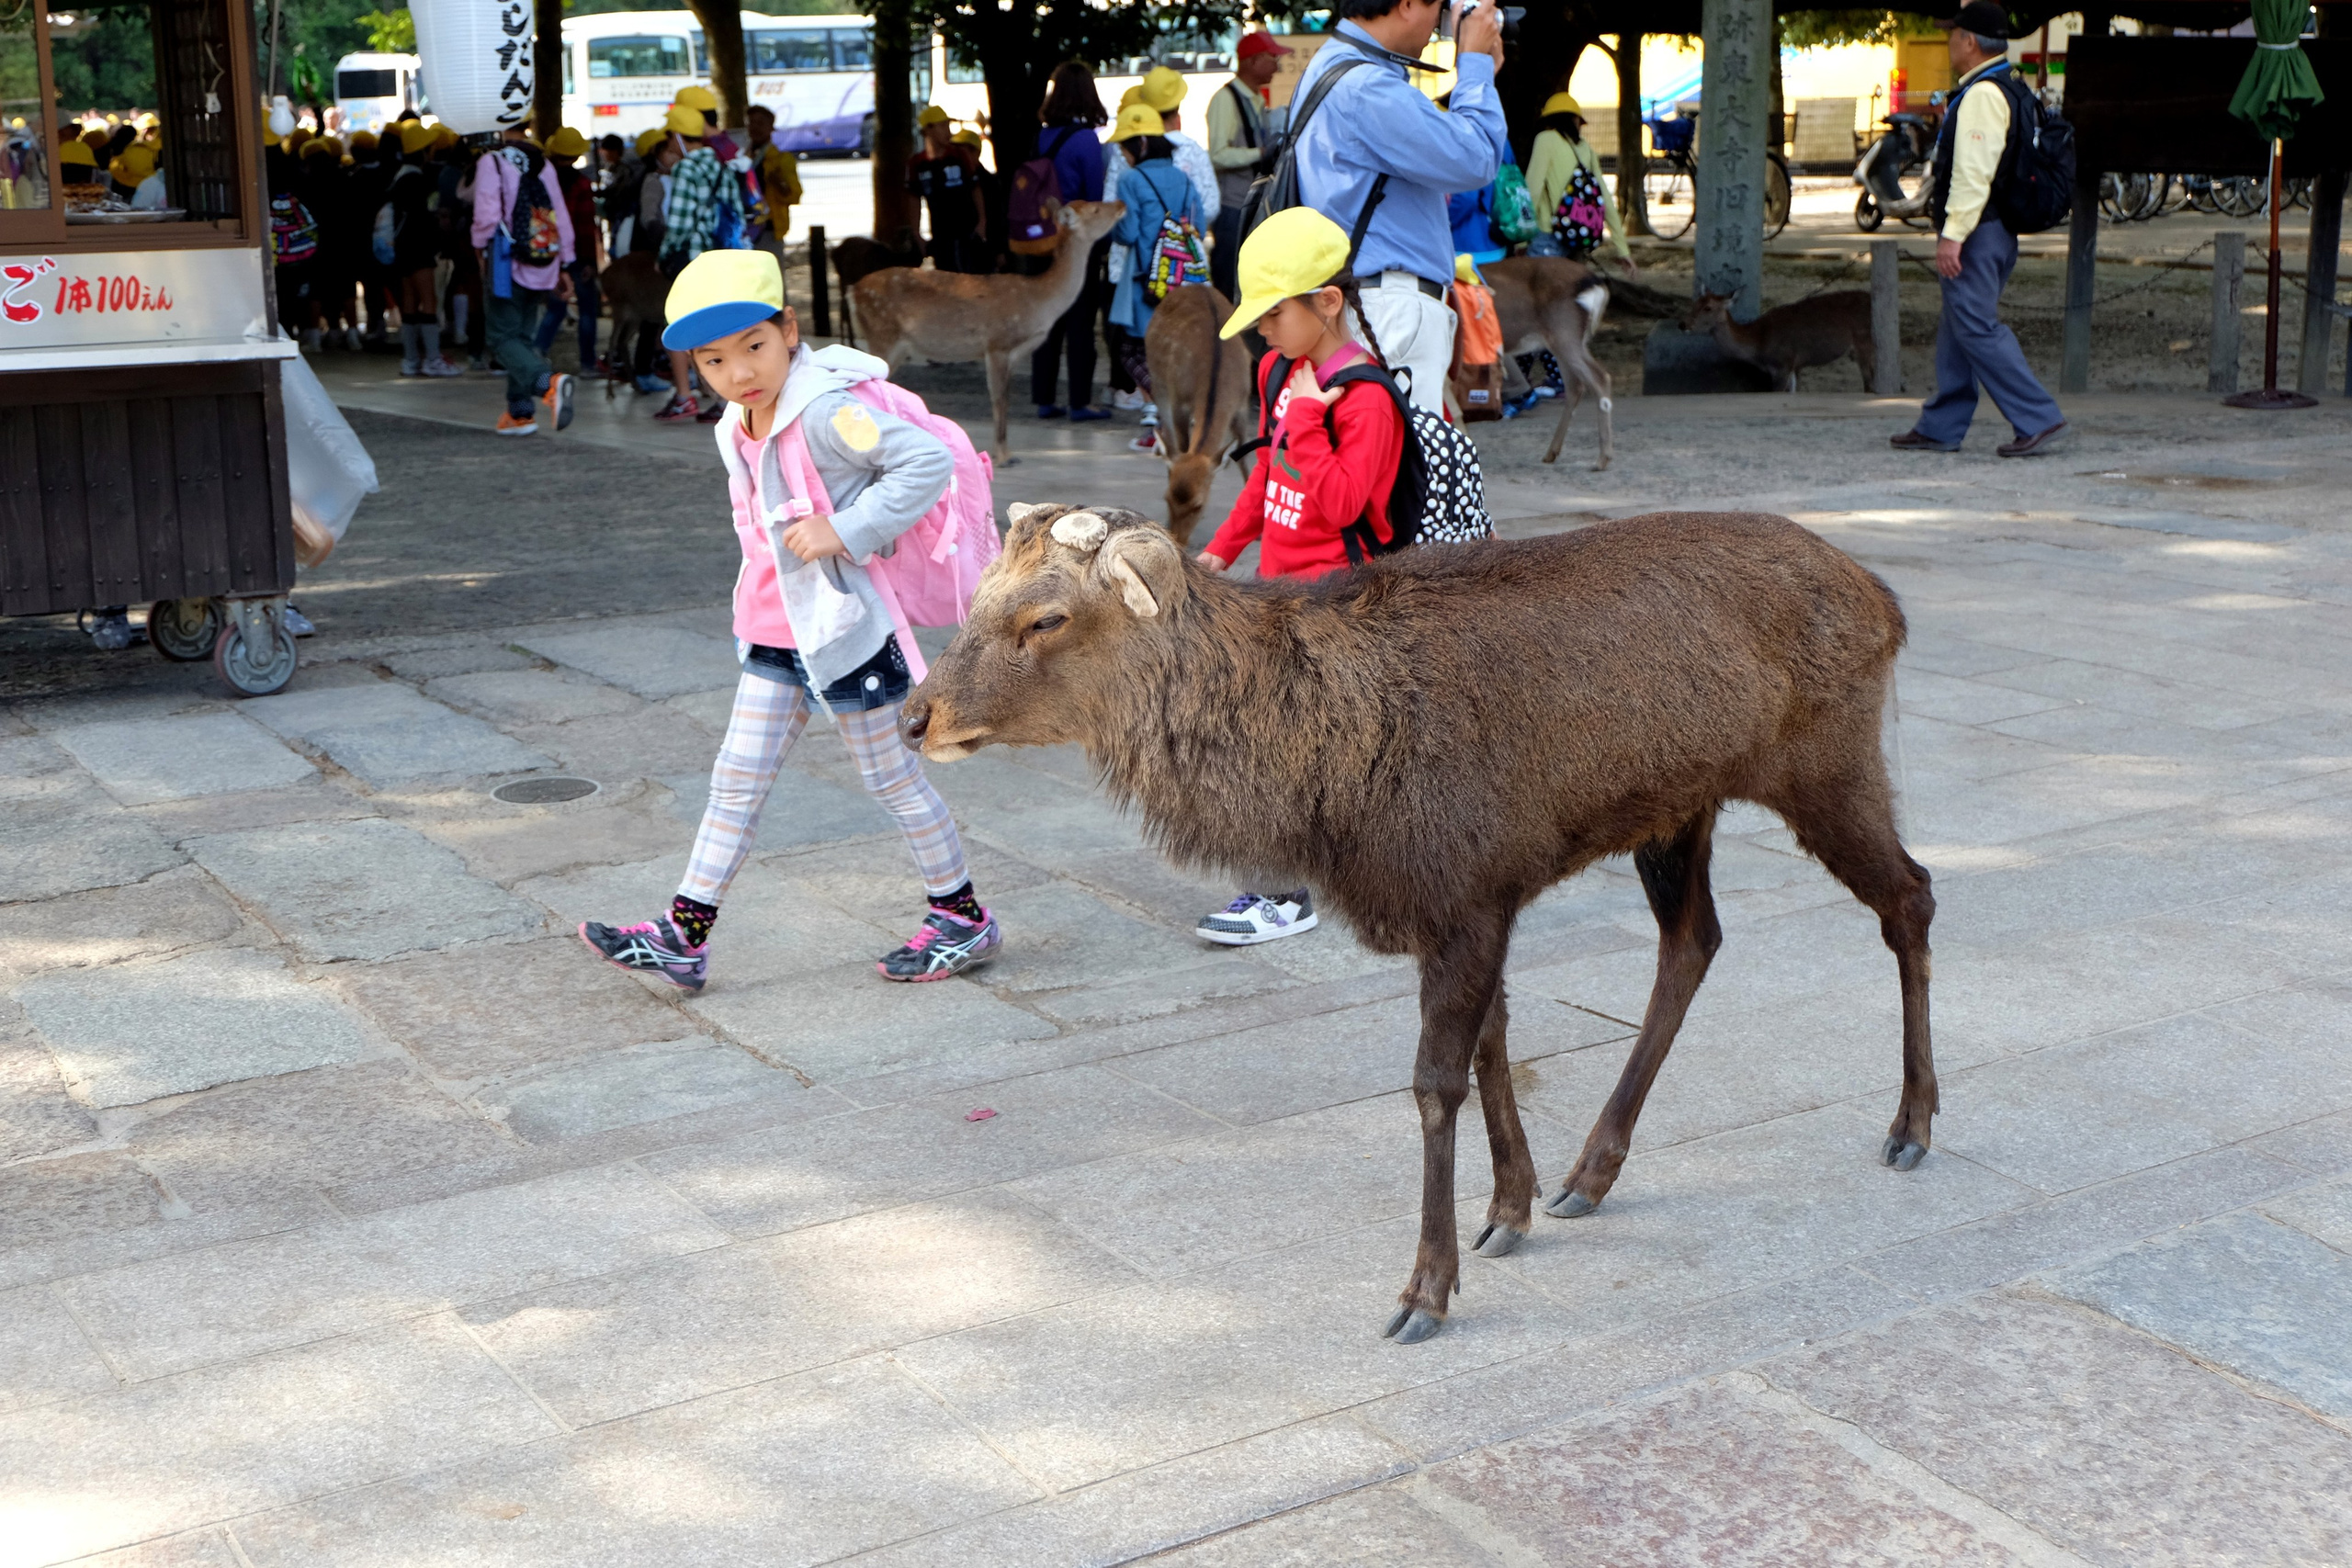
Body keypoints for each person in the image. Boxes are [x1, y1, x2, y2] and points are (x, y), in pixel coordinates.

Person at [579, 249, 1003, 990]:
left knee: (893, 781)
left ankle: (963, 917)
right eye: (713, 360)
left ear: (789, 329)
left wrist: (847, 530)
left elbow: (926, 462)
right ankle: (685, 932)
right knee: (735, 779)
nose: (738, 371)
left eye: (753, 346)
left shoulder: (829, 412)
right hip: (778, 633)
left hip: (848, 635)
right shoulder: (734, 422)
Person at [1191, 207, 1407, 944]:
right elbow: (1271, 469)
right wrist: (1223, 547)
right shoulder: (1279, 368)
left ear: (1328, 302)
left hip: (1340, 605)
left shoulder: (1366, 397)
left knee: (1280, 751)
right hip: (1278, 591)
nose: (1263, 330)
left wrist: (1314, 420)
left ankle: (1284, 895)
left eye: (1275, 313)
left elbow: (1344, 499)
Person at [1288, 0, 1508, 415]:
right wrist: (1474, 66)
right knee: (1398, 471)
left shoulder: (1336, 67)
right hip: (1387, 308)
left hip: (1364, 299)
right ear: (1407, 4)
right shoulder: (1366, 87)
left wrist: (1479, 76)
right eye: (1440, 7)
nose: (1441, 22)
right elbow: (1475, 158)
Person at [1894, 0, 2065, 457]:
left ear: (1969, 42)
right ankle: (1941, 425)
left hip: (1979, 230)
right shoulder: (2008, 84)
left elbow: (1974, 172)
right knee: (1958, 326)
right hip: (1994, 228)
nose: (1949, 42)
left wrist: (1954, 234)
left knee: (1976, 327)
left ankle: (2037, 416)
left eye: (1953, 35)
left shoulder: (1983, 94)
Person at [1105, 102, 1208, 455]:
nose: (1123, 153)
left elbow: (1129, 232)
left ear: (1143, 144)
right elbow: (1200, 224)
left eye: (1125, 146)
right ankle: (1173, 419)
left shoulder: (1130, 179)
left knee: (1132, 351)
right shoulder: (1182, 176)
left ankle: (1161, 421)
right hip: (1180, 281)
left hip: (1144, 284)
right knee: (1172, 352)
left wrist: (1115, 222)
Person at [470, 123, 579, 435]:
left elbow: (487, 216)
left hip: (505, 262)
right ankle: (519, 413)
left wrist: (479, 248)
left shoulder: (492, 161)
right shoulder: (542, 162)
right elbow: (560, 214)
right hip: (544, 260)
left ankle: (548, 383)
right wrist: (565, 264)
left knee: (501, 338)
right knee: (522, 338)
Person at [1027, 61, 1111, 422]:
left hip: (1042, 240)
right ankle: (1079, 401)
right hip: (1075, 243)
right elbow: (1094, 198)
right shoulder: (1085, 140)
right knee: (1080, 320)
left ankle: (1044, 398)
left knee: (1046, 318)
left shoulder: (1040, 137)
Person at [656, 102, 749, 423]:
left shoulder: (687, 168)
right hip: (722, 258)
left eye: (670, 136)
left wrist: (665, 254)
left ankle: (685, 396)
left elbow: (680, 223)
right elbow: (736, 211)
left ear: (679, 136)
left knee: (680, 326)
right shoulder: (720, 163)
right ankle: (727, 398)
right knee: (720, 328)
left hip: (693, 261)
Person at [1206, 31, 1286, 304]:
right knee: (1229, 284)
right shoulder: (1225, 99)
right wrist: (1260, 153)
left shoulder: (1256, 98)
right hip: (1232, 208)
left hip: (1253, 205)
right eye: (1272, 58)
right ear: (1252, 62)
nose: (1278, 65)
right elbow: (1218, 155)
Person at [1525, 93, 1634, 273]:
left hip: (1547, 238)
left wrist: (1522, 238)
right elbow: (1604, 198)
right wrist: (1622, 249)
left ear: (1549, 120)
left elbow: (1533, 190)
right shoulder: (1586, 150)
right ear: (1575, 120)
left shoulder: (1545, 140)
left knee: (1536, 296)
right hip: (1577, 239)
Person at [388, 120, 460, 377]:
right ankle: (432, 359)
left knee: (409, 303)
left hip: (402, 250)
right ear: (423, 151)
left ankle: (410, 360)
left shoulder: (399, 177)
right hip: (419, 251)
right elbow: (422, 220)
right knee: (428, 302)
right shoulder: (416, 180)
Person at [535, 127, 605, 372]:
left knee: (555, 308)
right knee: (586, 310)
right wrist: (590, 263)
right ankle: (587, 364)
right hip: (578, 256)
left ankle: (536, 355)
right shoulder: (582, 184)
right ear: (576, 157)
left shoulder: (540, 181)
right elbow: (585, 226)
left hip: (550, 253)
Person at [906, 105, 987, 274]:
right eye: (942, 126)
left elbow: (976, 189)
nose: (947, 131)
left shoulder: (959, 156)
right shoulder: (917, 164)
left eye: (947, 125)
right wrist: (917, 232)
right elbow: (914, 198)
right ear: (928, 130)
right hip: (941, 236)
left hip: (968, 233)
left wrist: (981, 223)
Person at [743, 104, 804, 279]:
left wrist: (779, 183)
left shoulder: (781, 160)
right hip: (744, 229)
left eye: (760, 123)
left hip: (768, 229)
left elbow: (795, 195)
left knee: (772, 280)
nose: (755, 127)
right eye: (751, 122)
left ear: (771, 128)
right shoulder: (741, 157)